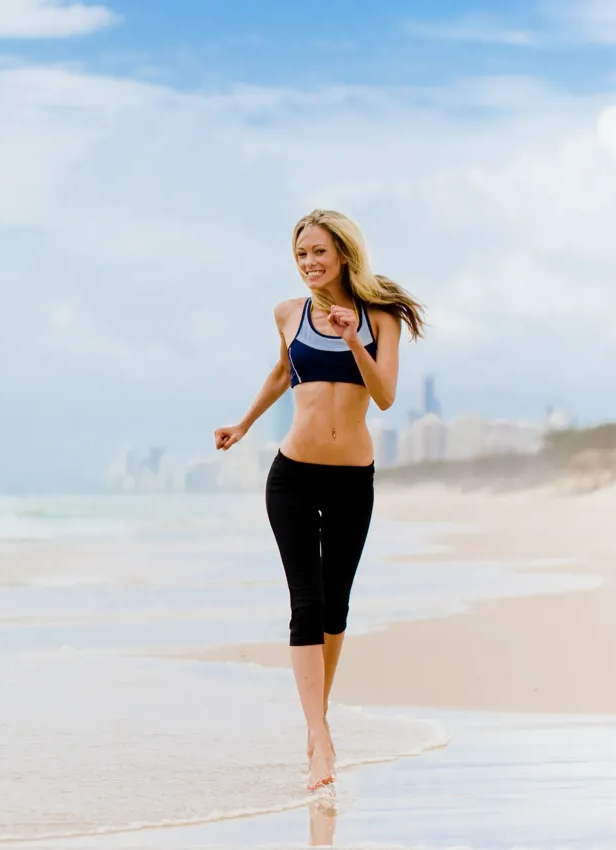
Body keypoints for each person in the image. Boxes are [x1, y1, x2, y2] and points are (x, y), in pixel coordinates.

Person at [213, 209, 426, 793]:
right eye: (301, 254)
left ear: (343, 255)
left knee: (336, 610)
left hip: (352, 480)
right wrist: (245, 423)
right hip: (293, 476)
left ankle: (318, 725)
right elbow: (283, 373)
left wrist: (353, 338)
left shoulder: (380, 319)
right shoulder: (288, 314)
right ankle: (320, 739)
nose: (309, 263)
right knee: (306, 606)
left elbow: (383, 396)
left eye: (318, 252)